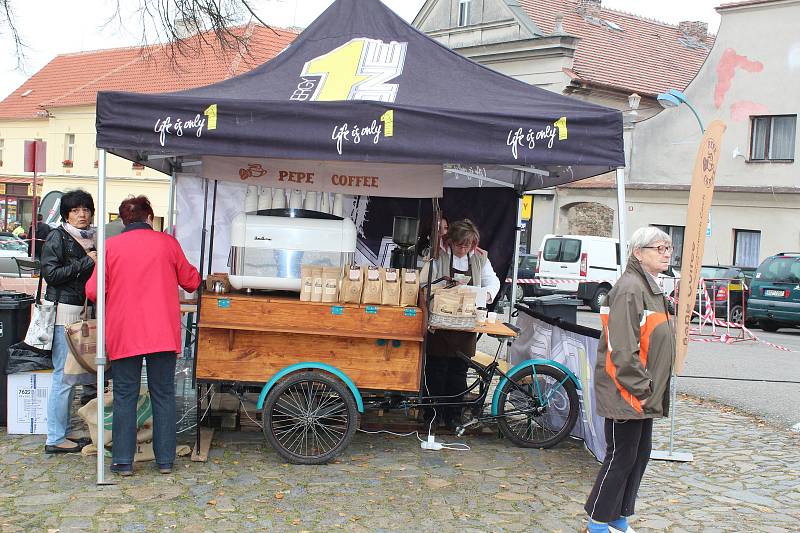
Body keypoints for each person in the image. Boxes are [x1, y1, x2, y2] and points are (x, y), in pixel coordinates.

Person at [86, 195, 200, 476]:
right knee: (163, 394)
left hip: (125, 331)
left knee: (125, 395)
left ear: (123, 221)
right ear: (149, 217)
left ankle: (122, 462)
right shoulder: (167, 243)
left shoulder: (111, 247)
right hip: (161, 330)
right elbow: (191, 281)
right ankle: (164, 461)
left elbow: (92, 291)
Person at [584, 226, 676, 533]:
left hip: (644, 389)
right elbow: (622, 349)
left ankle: (618, 516)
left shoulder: (650, 287)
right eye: (659, 248)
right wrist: (642, 388)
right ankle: (598, 521)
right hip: (627, 389)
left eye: (668, 248)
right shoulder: (630, 288)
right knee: (621, 456)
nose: (666, 253)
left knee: (638, 454)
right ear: (638, 253)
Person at [420, 219, 500, 429]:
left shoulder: (480, 258)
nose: (462, 249)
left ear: (473, 244)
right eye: (458, 245)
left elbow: (493, 280)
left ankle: (454, 414)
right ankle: (433, 414)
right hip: (441, 323)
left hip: (465, 325)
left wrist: (488, 294)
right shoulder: (438, 255)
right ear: (451, 241)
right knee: (436, 370)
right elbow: (424, 284)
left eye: (466, 246)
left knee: (458, 371)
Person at [40, 190, 98, 454]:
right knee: (62, 376)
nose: (82, 215)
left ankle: (62, 430)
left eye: (85, 209)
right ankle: (54, 437)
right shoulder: (58, 237)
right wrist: (86, 263)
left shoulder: (92, 238)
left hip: (82, 311)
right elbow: (51, 274)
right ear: (66, 214)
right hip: (63, 311)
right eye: (75, 210)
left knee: (71, 376)